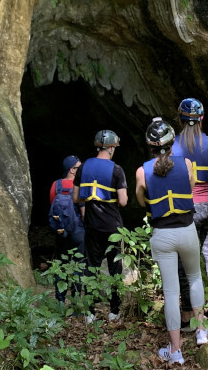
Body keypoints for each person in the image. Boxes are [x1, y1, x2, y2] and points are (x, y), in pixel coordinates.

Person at [135, 118, 208, 365]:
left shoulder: (141, 171)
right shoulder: (185, 163)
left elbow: (142, 200)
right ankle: (201, 332)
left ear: (150, 146)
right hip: (187, 229)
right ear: (171, 143)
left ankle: (176, 350)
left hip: (162, 236)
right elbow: (190, 186)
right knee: (195, 278)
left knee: (170, 292)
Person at [172, 98, 208, 318]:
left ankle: (187, 310)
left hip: (186, 208)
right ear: (202, 118)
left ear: (180, 119)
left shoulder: (173, 145)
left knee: (183, 260)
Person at [72, 130, 128, 323]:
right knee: (115, 268)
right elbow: (123, 201)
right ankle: (114, 311)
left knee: (91, 267)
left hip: (92, 225)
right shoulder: (117, 169)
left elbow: (76, 197)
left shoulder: (83, 167)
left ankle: (90, 312)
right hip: (112, 226)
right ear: (112, 148)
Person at [49, 155, 85, 303]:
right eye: (79, 167)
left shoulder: (56, 185)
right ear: (72, 170)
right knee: (78, 266)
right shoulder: (80, 185)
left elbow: (53, 206)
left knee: (62, 264)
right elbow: (83, 211)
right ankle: (76, 304)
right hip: (78, 230)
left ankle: (60, 302)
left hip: (61, 230)